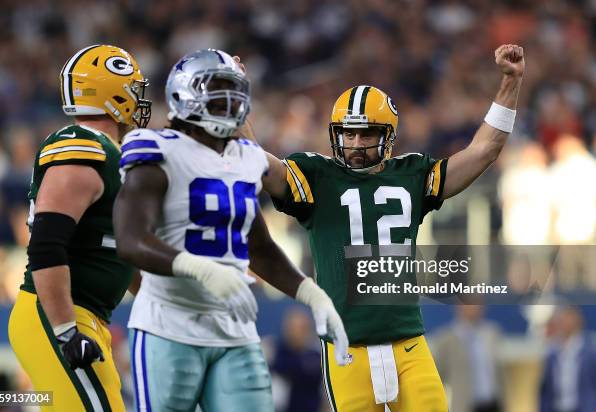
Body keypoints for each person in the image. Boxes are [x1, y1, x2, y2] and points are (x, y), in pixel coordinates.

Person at [259, 44, 525, 411]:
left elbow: (485, 150)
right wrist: (238, 114)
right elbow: (263, 167)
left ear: (388, 136)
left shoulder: (411, 174)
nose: (354, 143)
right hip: (346, 348)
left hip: (409, 344)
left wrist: (511, 81)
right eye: (348, 134)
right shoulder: (317, 175)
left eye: (366, 134)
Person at [112, 48, 348, 412]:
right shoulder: (156, 149)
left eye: (233, 89)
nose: (228, 100)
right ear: (183, 92)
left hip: (235, 328)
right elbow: (130, 242)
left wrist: (313, 295)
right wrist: (201, 269)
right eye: (216, 89)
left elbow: (262, 249)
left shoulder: (246, 158)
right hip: (168, 325)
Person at [8, 44, 151, 411]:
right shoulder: (83, 147)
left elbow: (119, 254)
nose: (139, 100)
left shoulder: (110, 154)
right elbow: (46, 245)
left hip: (86, 316)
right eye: (134, 90)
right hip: (59, 313)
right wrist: (65, 329)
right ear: (111, 93)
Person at [432, 305, 504, 412]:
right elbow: (438, 374)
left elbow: (498, 370)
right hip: (463, 404)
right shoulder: (446, 338)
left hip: (492, 403)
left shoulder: (492, 332)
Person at [540, 306, 596, 412]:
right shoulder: (552, 351)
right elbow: (545, 388)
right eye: (562, 320)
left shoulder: (590, 351)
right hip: (557, 407)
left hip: (584, 407)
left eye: (568, 320)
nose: (565, 324)